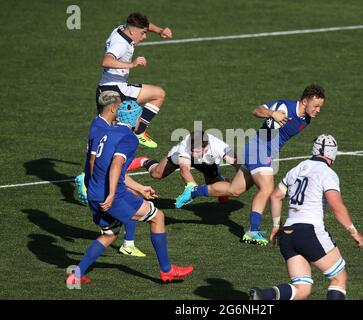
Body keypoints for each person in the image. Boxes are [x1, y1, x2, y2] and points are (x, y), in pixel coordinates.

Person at [66, 92, 193, 286]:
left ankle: (76, 274)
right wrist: (110, 195)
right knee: (157, 216)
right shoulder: (129, 138)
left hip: (94, 194)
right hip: (112, 196)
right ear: (134, 119)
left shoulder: (107, 132)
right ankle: (166, 270)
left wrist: (140, 188)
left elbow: (108, 167)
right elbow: (117, 165)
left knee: (109, 234)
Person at [175, 84, 325, 246]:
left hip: (262, 151)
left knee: (235, 190)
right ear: (304, 101)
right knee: (267, 188)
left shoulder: (307, 119)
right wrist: (271, 113)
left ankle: (195, 191)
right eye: (316, 106)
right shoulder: (285, 107)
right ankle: (252, 231)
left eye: (320, 107)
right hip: (258, 149)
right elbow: (256, 110)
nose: (318, 110)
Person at [249, 134, 363, 300]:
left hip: (288, 234)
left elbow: (275, 196)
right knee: (339, 277)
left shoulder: (297, 169)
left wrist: (276, 226)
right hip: (309, 231)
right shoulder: (327, 173)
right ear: (333, 154)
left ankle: (264, 295)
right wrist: (354, 232)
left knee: (302, 289)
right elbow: (337, 207)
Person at [76, 93, 146, 257]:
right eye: (120, 106)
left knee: (114, 223)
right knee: (131, 205)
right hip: (99, 181)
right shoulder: (101, 129)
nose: (122, 109)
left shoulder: (103, 123)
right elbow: (93, 161)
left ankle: (127, 242)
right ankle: (128, 244)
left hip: (100, 180)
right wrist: (96, 184)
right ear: (113, 108)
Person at [96, 12, 173, 149]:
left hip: (113, 87)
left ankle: (139, 131)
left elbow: (146, 26)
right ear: (132, 31)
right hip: (112, 92)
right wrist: (131, 65)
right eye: (142, 33)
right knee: (111, 138)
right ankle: (93, 167)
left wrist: (160, 30)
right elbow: (106, 61)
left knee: (158, 94)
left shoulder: (123, 28)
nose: (145, 36)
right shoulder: (120, 44)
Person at [127, 131, 239, 204]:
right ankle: (144, 161)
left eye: (196, 150)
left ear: (206, 147)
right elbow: (184, 169)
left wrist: (242, 179)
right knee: (156, 174)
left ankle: (223, 181)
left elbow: (237, 164)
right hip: (179, 157)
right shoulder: (185, 147)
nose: (193, 152)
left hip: (208, 161)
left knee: (213, 184)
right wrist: (192, 189)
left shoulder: (219, 147)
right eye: (192, 149)